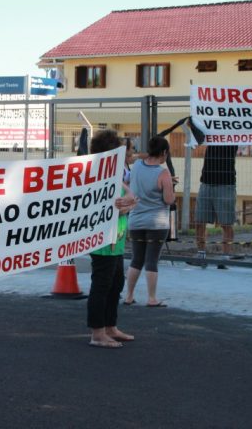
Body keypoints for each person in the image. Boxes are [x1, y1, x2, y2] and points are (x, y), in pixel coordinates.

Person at [87, 130, 136, 348]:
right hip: (104, 241)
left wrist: (128, 202)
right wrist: (126, 203)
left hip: (117, 239)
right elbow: (120, 201)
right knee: (102, 285)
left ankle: (110, 327)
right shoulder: (97, 176)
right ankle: (97, 333)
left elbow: (130, 198)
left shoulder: (112, 175)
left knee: (116, 283)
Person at [124, 135, 175, 307]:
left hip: (136, 220)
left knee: (136, 259)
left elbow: (133, 165)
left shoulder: (137, 165)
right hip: (156, 223)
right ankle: (152, 297)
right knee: (151, 260)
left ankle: (128, 295)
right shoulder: (164, 173)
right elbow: (168, 200)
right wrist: (171, 187)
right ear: (164, 152)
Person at [194, 145, 240, 263]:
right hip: (206, 183)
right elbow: (198, 134)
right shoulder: (210, 129)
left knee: (226, 224)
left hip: (226, 184)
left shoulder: (232, 133)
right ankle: (201, 254)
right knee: (199, 222)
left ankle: (225, 256)